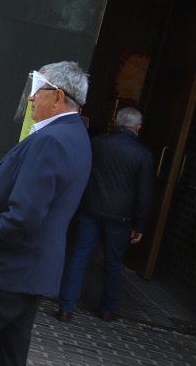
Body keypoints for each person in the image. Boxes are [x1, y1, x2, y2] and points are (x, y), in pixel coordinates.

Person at [0, 61, 93, 366]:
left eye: (37, 88)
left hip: (9, 267)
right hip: (30, 269)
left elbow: (23, 216)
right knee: (9, 352)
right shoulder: (75, 135)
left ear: (58, 97)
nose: (30, 97)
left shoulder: (52, 139)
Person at [57, 107, 153, 322]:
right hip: (121, 217)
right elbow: (144, 195)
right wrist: (140, 226)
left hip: (90, 209)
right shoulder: (143, 155)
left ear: (116, 122)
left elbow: (82, 172)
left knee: (78, 256)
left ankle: (65, 307)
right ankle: (107, 309)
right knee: (113, 263)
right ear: (138, 128)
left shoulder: (97, 143)